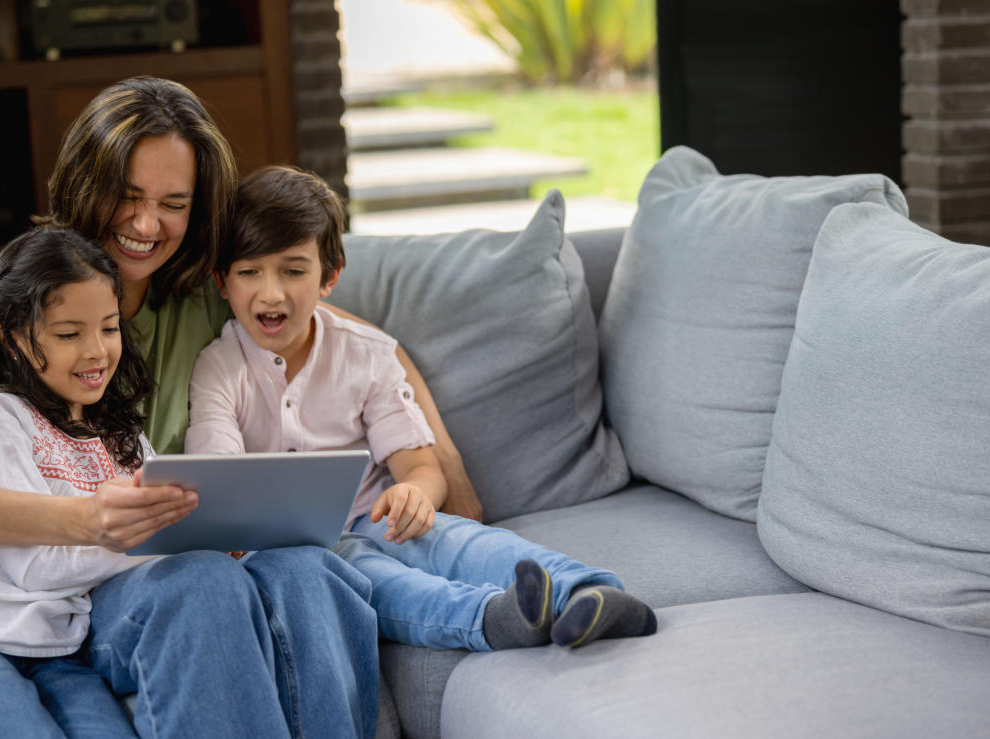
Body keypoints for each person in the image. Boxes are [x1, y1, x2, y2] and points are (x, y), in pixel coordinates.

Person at [0, 78, 387, 737]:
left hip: (159, 566)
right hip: (79, 591)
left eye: (173, 203)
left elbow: (349, 336)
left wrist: (438, 462)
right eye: (127, 197)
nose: (148, 225)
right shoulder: (22, 323)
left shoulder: (203, 297)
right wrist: (85, 518)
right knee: (202, 583)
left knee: (306, 568)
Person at [186, 165, 659, 652]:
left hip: (377, 516)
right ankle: (495, 619)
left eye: (293, 270)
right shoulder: (219, 370)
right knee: (380, 584)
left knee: (455, 540)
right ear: (223, 283)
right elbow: (220, 477)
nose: (271, 292)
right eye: (249, 273)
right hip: (299, 554)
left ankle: (585, 590)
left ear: (329, 276)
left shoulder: (367, 354)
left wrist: (415, 493)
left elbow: (420, 466)